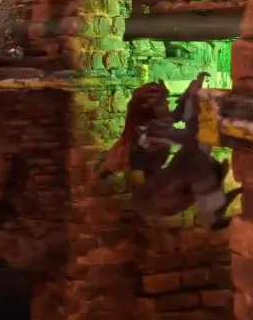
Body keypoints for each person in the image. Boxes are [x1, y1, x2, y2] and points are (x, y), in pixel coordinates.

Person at [101, 73, 241, 230]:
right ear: (150, 108)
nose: (167, 105)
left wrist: (192, 90)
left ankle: (214, 199)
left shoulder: (156, 125)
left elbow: (178, 115)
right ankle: (214, 212)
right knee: (196, 155)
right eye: (163, 103)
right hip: (154, 198)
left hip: (156, 191)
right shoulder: (148, 132)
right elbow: (189, 136)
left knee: (195, 154)